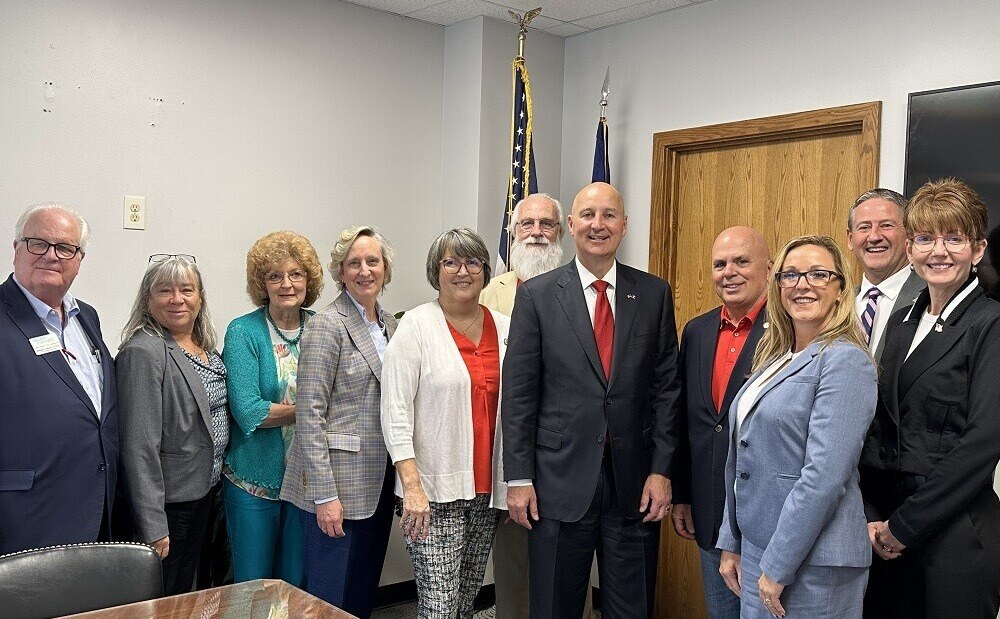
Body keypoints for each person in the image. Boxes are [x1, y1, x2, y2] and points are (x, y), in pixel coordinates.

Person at [502, 182, 681, 618]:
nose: (597, 225)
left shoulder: (653, 294)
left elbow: (666, 390)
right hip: (556, 483)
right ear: (571, 225)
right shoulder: (538, 295)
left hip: (634, 485)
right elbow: (520, 394)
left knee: (632, 607)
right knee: (554, 606)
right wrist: (518, 477)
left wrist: (661, 470)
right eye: (587, 215)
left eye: (608, 215)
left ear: (624, 225)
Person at [859, 178, 1000, 619]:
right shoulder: (903, 320)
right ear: (911, 248)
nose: (938, 251)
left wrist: (905, 526)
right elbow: (877, 426)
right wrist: (869, 513)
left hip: (955, 536)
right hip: (886, 533)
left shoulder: (990, 323)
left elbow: (983, 443)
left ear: (977, 250)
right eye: (925, 238)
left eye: (954, 238)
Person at [717, 235, 876, 618]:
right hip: (760, 548)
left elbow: (823, 476)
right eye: (790, 275)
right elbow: (742, 457)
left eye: (819, 274)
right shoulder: (777, 357)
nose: (802, 284)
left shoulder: (845, 362)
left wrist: (779, 564)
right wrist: (731, 541)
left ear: (840, 290)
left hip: (812, 561)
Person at [381, 228, 510, 619]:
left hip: (487, 492)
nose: (462, 271)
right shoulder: (416, 327)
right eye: (450, 262)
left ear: (485, 270)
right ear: (435, 271)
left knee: (465, 601)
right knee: (438, 607)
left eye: (473, 261)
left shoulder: (506, 327)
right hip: (432, 493)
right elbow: (395, 410)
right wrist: (412, 488)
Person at [480, 193, 597, 619]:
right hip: (511, 456)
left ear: (562, 232)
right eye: (526, 225)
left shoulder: (584, 289)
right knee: (514, 565)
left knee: (570, 569)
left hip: (573, 459)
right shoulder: (487, 297)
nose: (536, 233)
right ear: (512, 235)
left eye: (546, 224)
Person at [280, 226, 398, 618]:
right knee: (328, 600)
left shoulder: (391, 327)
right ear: (341, 272)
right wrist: (324, 496)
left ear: (385, 268)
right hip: (335, 490)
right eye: (354, 263)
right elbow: (309, 415)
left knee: (363, 590)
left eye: (372, 261)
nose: (364, 270)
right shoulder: (328, 325)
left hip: (377, 482)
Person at [0, 203, 118, 555]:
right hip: (24, 518)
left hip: (98, 510)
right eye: (38, 243)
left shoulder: (88, 317)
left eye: (65, 248)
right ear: (16, 248)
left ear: (79, 259)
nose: (51, 256)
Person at [670, 226, 772, 619]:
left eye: (741, 261)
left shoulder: (789, 330)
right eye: (720, 264)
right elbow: (686, 421)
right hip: (710, 511)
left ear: (768, 266)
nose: (729, 271)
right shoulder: (696, 330)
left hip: (765, 517)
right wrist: (683, 493)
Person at [117, 255, 229, 596]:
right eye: (165, 290)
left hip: (207, 490)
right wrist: (152, 524)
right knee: (166, 594)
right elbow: (138, 446)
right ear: (148, 301)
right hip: (171, 502)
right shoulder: (144, 351)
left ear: (200, 298)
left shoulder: (203, 346)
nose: (177, 299)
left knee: (189, 590)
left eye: (186, 290)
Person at [221, 231, 323, 586]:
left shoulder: (323, 328)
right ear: (261, 283)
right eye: (275, 275)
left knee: (295, 584)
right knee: (254, 586)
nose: (287, 284)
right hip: (254, 483)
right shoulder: (243, 332)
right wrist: (310, 410)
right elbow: (250, 411)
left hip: (308, 482)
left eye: (296, 274)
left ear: (308, 280)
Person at [847, 188, 925, 362]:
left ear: (909, 234)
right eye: (864, 227)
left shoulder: (932, 298)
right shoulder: (836, 303)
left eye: (886, 225)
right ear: (850, 238)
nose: (874, 236)